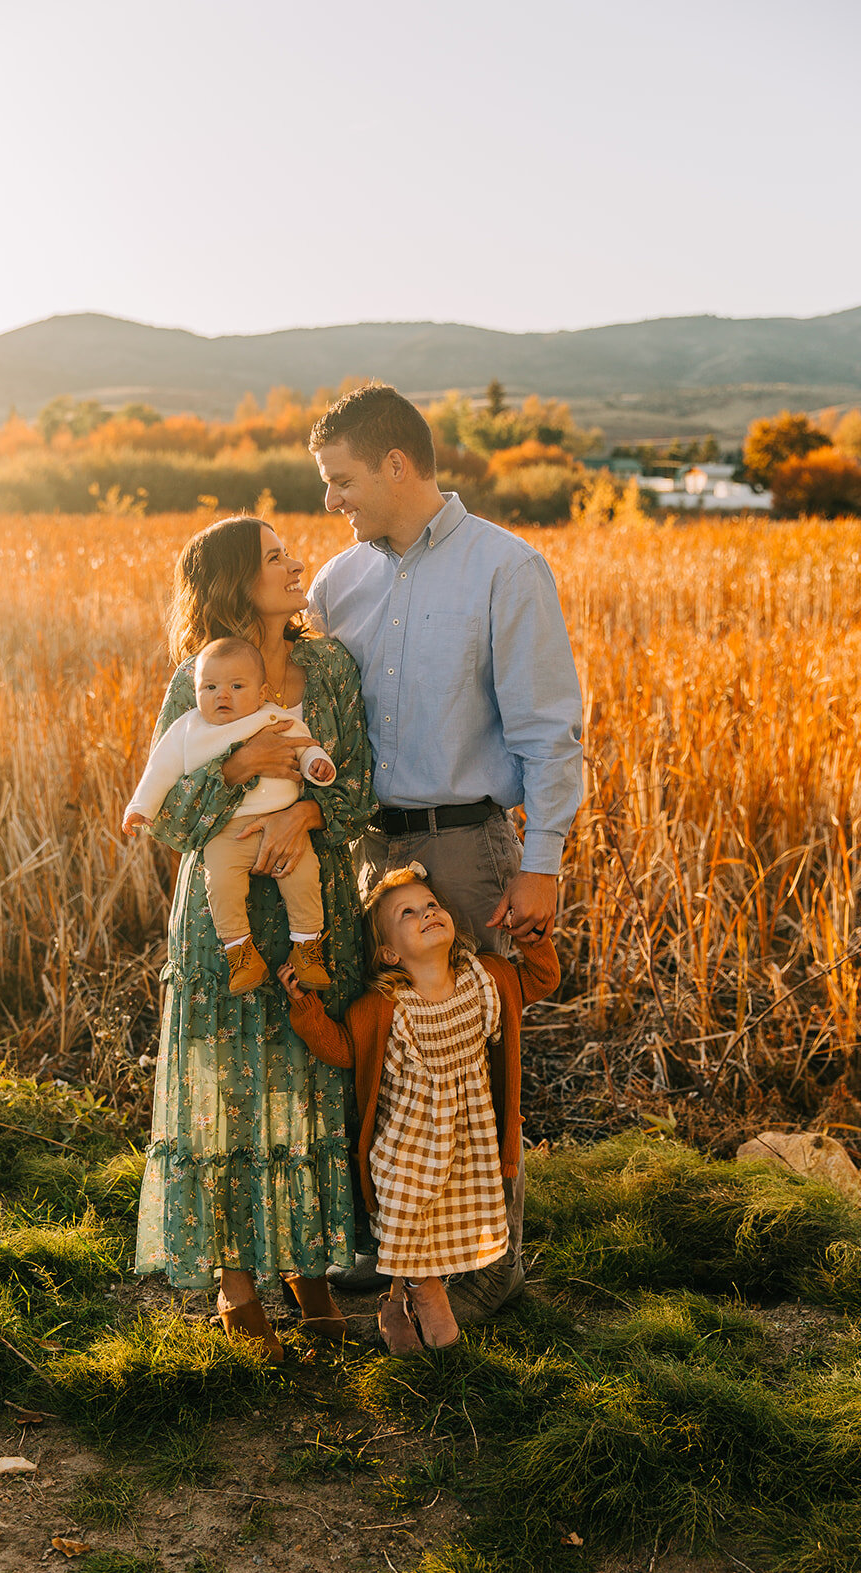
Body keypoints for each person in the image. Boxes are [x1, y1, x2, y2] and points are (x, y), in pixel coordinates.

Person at [307, 383, 583, 1321]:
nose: (331, 502)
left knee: (475, 1054)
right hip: (364, 850)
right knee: (381, 1056)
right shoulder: (336, 584)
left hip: (466, 846)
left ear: (395, 463)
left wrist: (539, 860)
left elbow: (550, 730)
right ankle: (385, 1251)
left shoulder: (506, 568)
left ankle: (486, 1267)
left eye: (340, 480)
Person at [133, 515, 376, 1361]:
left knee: (306, 1081)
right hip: (224, 920)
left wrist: (309, 812)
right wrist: (237, 767)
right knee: (225, 1090)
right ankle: (238, 1286)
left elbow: (359, 786)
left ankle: (307, 1271)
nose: (296, 563)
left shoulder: (331, 669)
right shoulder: (196, 680)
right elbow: (167, 812)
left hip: (313, 911)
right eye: (275, 558)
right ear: (238, 582)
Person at [279, 865, 560, 1351]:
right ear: (389, 952)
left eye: (431, 904)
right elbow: (345, 1049)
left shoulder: (485, 979)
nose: (427, 912)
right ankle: (425, 1293)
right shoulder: (384, 1006)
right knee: (407, 1215)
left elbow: (542, 978)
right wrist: (306, 1009)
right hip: (405, 1144)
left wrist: (532, 936)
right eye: (408, 912)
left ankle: (395, 1304)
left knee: (439, 1228)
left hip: (466, 1142)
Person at [123, 636, 336, 995]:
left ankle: (307, 945)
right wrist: (139, 808)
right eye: (210, 687)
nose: (222, 695)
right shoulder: (189, 729)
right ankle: (240, 951)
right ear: (195, 690)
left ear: (261, 692)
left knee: (303, 876)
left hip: (286, 823)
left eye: (237, 687)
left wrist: (317, 766)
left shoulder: (271, 717)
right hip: (226, 832)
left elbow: (304, 746)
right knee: (220, 882)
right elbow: (159, 770)